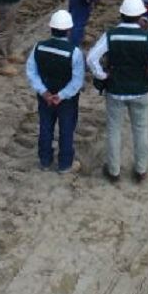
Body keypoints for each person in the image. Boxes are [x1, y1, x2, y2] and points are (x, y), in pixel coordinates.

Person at [87, 0, 148, 184]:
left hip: (115, 89)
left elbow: (91, 58)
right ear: (140, 15)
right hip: (139, 89)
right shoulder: (147, 37)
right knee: (140, 129)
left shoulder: (111, 35)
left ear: (122, 14)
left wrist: (101, 75)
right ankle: (141, 169)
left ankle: (114, 170)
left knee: (114, 129)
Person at [26, 9, 86, 173]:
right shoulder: (74, 52)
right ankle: (65, 164)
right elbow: (77, 80)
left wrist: (44, 92)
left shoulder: (38, 47)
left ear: (51, 28)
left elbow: (31, 71)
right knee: (66, 129)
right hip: (66, 100)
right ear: (68, 30)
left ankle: (45, 160)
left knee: (45, 126)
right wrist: (61, 95)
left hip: (45, 96)